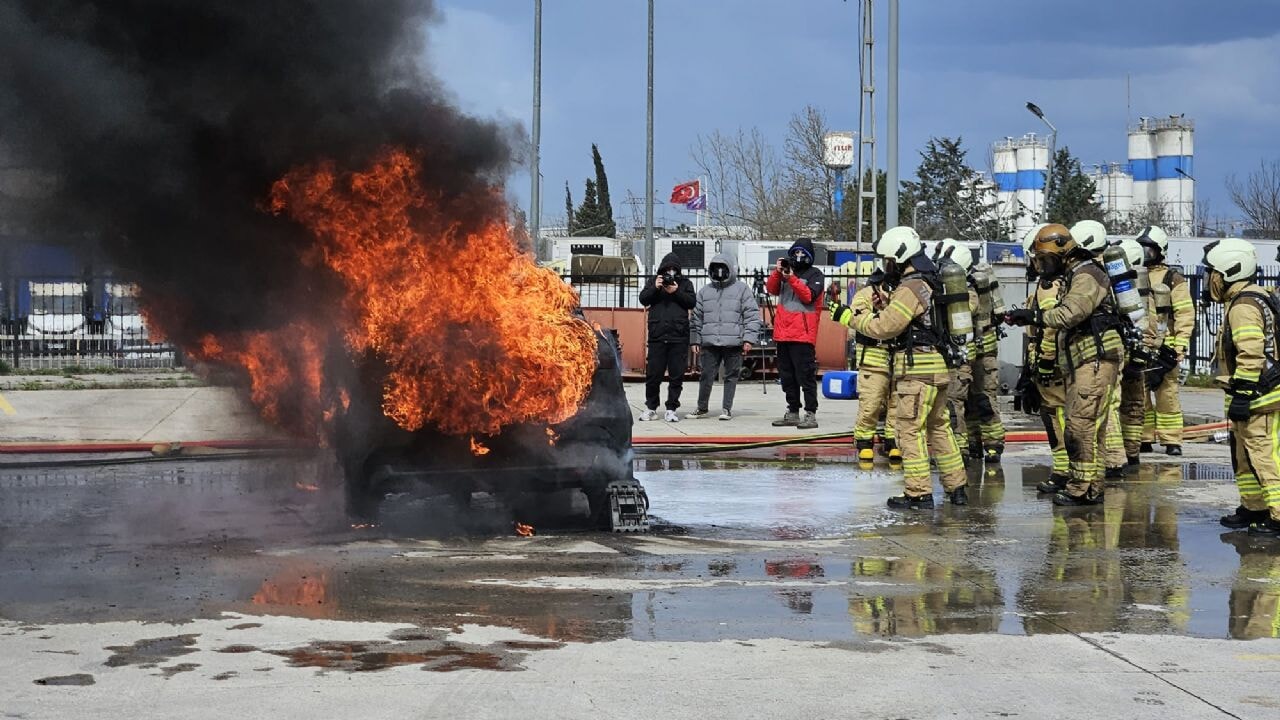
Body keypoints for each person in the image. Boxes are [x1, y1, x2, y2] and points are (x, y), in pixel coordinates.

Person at [830, 226, 967, 509]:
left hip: (917, 373)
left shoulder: (910, 287)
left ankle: (918, 493)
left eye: (888, 260)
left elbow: (885, 327)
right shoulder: (929, 281)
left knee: (909, 430)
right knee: (940, 428)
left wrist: (848, 317)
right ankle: (957, 487)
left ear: (900, 258)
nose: (886, 266)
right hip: (938, 368)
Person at [1007, 223, 1123, 506]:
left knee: (1080, 426)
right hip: (1085, 360)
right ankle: (1091, 488)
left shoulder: (1086, 274)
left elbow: (1070, 313)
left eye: (1044, 259)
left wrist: (1034, 317)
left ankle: (1080, 488)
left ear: (1061, 254)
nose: (1041, 266)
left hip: (1094, 361)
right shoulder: (1075, 275)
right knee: (1088, 428)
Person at [1202, 238, 1280, 536]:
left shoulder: (1244, 306)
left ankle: (1278, 517)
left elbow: (1251, 353)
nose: (1210, 280)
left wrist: (1244, 395)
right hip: (1252, 394)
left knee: (1264, 456)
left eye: (1213, 273)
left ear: (1229, 271)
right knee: (1244, 456)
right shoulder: (1252, 297)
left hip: (1259, 396)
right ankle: (1254, 507)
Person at [935, 238, 1005, 463]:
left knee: (980, 399)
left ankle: (989, 444)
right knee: (967, 402)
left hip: (980, 353)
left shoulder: (971, 290)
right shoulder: (963, 285)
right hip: (971, 352)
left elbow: (967, 311)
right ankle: (972, 444)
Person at [1017, 224, 1072, 493]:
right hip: (1057, 359)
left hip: (1052, 364)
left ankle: (1063, 472)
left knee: (1055, 417)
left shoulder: (1049, 287)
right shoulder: (1058, 282)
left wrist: (1045, 360)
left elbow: (1050, 326)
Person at [832, 265, 900, 463]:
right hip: (873, 359)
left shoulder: (900, 294)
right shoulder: (864, 295)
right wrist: (882, 314)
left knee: (897, 404)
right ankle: (864, 442)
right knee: (871, 403)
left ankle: (893, 443)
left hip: (898, 358)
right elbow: (860, 320)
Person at [1138, 226, 1192, 456]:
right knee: (1139, 395)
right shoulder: (1136, 275)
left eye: (1149, 249)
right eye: (1142, 248)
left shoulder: (1173, 278)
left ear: (1160, 251)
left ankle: (1172, 441)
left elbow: (1185, 314)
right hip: (1140, 344)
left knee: (1167, 395)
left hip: (1166, 347)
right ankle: (1144, 438)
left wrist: (1180, 345)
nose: (1145, 254)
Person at [688, 252, 762, 421]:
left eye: (723, 267)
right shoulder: (704, 292)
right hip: (709, 342)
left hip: (734, 342)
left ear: (730, 269)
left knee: (731, 376)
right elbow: (696, 318)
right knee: (706, 375)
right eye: (716, 268)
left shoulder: (742, 289)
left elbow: (752, 315)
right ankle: (702, 407)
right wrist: (695, 340)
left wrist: (749, 339)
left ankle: (726, 409)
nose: (719, 271)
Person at [767, 238, 825, 430]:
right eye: (795, 253)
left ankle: (810, 413)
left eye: (802, 253)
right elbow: (771, 289)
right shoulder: (785, 273)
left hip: (803, 335)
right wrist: (778, 272)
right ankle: (792, 411)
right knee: (787, 376)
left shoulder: (815, 274)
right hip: (783, 333)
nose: (798, 257)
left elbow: (808, 296)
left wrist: (791, 278)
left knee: (806, 376)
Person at [637, 252, 696, 422]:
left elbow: (691, 302)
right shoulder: (654, 282)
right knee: (653, 375)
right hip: (657, 336)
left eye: (673, 269)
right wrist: (655, 287)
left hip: (678, 336)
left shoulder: (685, 283)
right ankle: (651, 407)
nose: (670, 273)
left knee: (676, 376)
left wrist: (676, 291)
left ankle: (671, 409)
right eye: (667, 269)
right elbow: (643, 299)